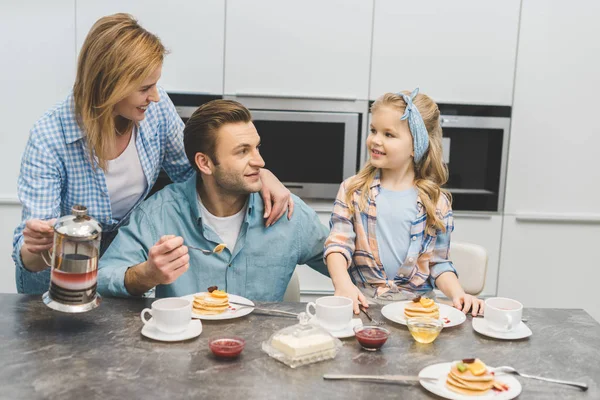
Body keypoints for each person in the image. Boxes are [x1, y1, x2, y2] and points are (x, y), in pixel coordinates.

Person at [12, 14, 292, 295]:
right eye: (145, 88)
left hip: (127, 266)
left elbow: (196, 173)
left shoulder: (155, 113)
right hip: (59, 276)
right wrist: (39, 245)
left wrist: (258, 174)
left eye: (155, 85)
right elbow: (30, 258)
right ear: (109, 86)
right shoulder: (50, 138)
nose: (156, 96)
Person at [97, 100, 329, 300]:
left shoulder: (287, 212)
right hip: (183, 349)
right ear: (205, 163)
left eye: (257, 148)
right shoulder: (158, 215)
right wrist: (147, 274)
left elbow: (352, 266)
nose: (259, 161)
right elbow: (103, 277)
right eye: (242, 151)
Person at [324, 89, 484, 316]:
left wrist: (458, 294)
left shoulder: (436, 202)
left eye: (389, 135)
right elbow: (338, 245)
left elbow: (439, 264)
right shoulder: (353, 190)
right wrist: (343, 285)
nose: (375, 140)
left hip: (419, 311)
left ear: (415, 145)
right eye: (373, 130)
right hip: (363, 306)